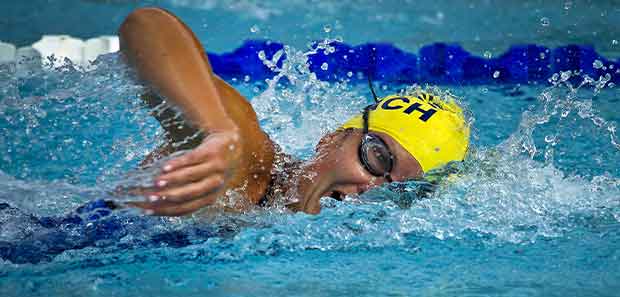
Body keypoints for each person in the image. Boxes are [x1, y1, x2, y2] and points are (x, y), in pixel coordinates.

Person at [118, 7, 470, 216]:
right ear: (331, 138)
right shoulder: (244, 162)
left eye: (399, 191)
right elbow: (147, 27)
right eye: (378, 158)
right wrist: (214, 129)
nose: (371, 188)